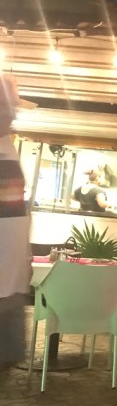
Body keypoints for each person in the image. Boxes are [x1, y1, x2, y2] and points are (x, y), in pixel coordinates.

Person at [0, 74, 31, 373]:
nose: (10, 112)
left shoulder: (8, 145)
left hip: (11, 288)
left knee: (6, 366)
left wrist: (24, 261)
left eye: (12, 105)